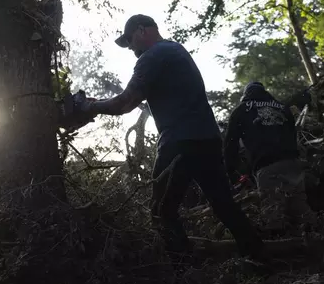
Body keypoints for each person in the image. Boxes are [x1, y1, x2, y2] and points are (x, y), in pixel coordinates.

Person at [80, 14, 264, 259]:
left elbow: (124, 103)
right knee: (223, 204)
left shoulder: (152, 56)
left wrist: (89, 108)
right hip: (207, 138)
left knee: (161, 210)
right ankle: (259, 257)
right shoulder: (176, 51)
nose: (131, 48)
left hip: (179, 142)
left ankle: (181, 270)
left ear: (142, 30)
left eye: (130, 40)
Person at [223, 82, 316, 232]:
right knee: (300, 207)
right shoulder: (282, 107)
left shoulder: (242, 110)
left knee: (274, 215)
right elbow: (293, 135)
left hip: (267, 166)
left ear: (246, 94)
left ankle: (283, 249)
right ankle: (319, 240)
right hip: (292, 163)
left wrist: (231, 172)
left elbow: (230, 145)